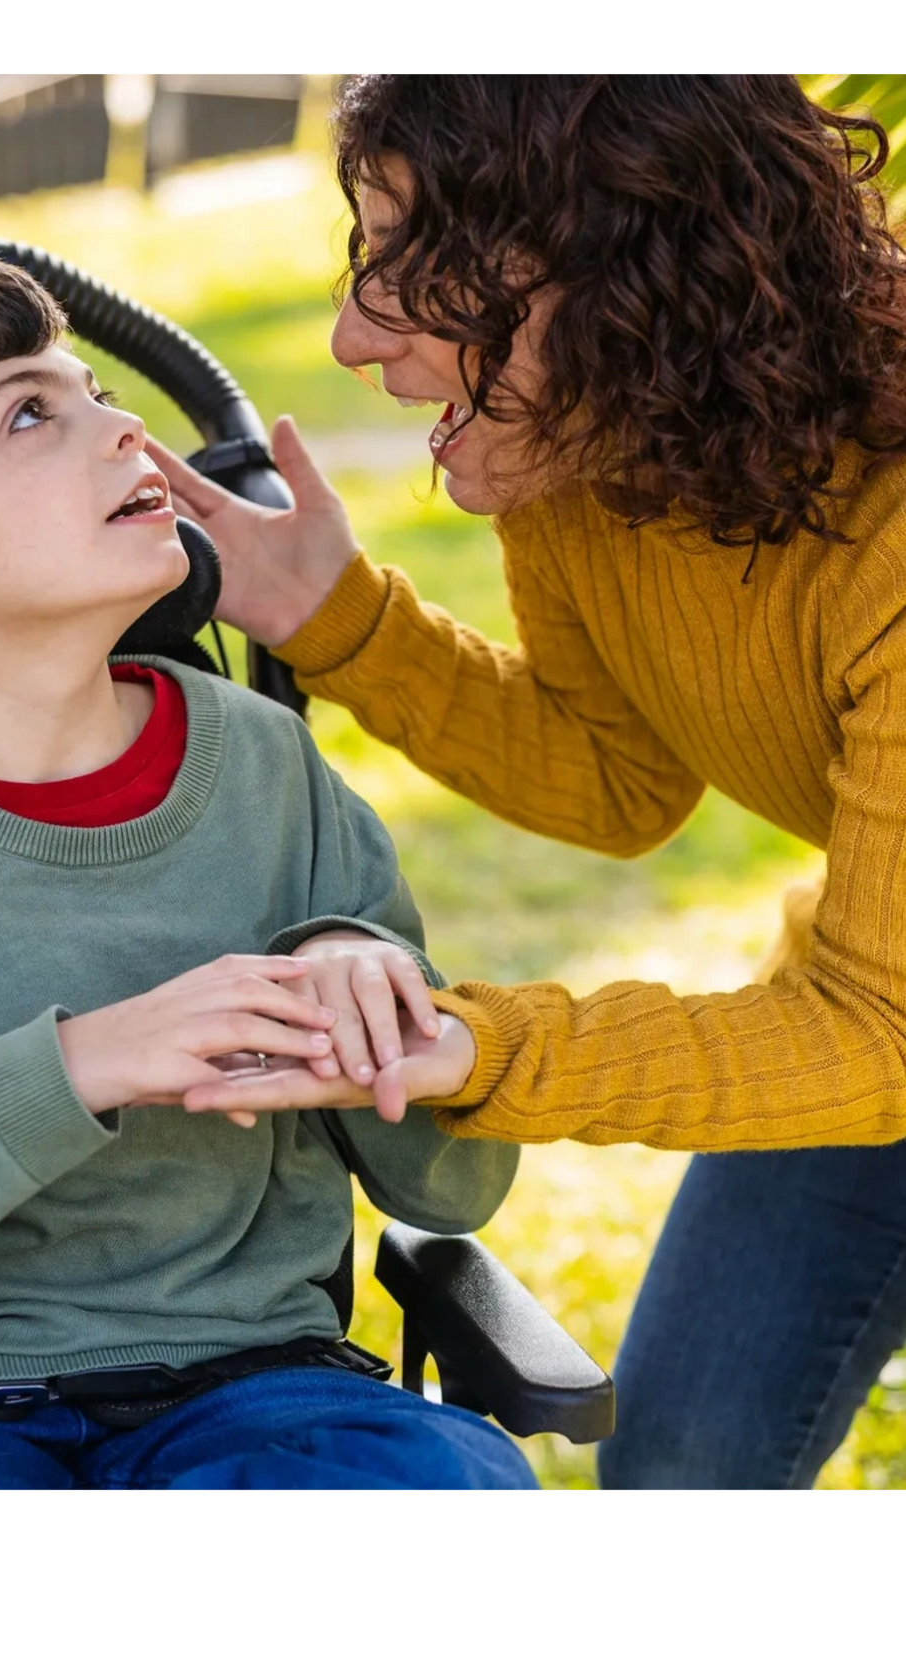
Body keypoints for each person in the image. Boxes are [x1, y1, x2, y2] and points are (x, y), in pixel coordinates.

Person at [0, 251, 532, 1494]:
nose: (123, 428)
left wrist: (381, 1005)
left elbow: (455, 1189)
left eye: (98, 392)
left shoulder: (269, 774)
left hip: (246, 1383)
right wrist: (71, 1071)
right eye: (29, 413)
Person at [154, 72, 906, 1493]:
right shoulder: (590, 442)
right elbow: (619, 779)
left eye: (414, 267)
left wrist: (485, 1049)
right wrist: (339, 622)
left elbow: (878, 1036)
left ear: (620, 269)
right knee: (683, 1460)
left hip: (878, 1023)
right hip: (880, 1001)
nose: (351, 334)